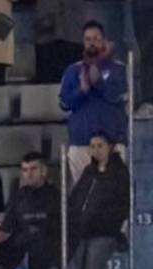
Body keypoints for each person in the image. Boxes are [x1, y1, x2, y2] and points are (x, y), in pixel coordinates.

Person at [67, 132, 130, 269]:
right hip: (83, 232)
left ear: (110, 147)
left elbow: (122, 205)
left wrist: (104, 223)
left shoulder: (119, 173)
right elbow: (76, 198)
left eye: (100, 146)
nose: (95, 150)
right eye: (92, 146)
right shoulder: (88, 172)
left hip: (105, 233)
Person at [59, 21, 127, 184]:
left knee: (114, 195)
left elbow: (118, 95)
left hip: (113, 143)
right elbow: (64, 103)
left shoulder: (118, 68)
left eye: (96, 38)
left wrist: (98, 83)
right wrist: (82, 91)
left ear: (104, 41)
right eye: (88, 39)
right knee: (84, 196)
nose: (92, 43)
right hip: (82, 143)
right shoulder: (73, 70)